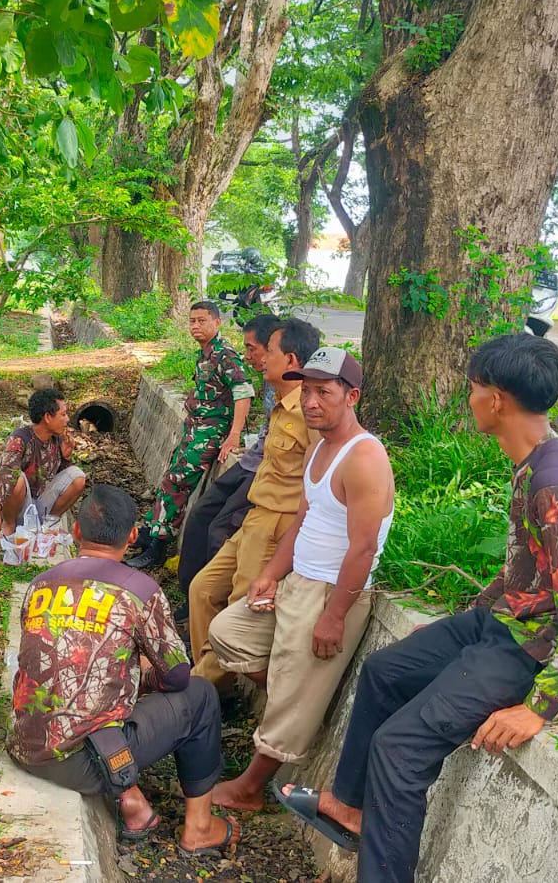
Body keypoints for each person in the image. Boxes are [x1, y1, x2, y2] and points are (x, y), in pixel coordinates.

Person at [275, 335, 558, 883]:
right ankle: (348, 807)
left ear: (497, 400)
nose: (469, 399)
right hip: (507, 621)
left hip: (535, 646)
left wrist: (538, 708)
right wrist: (472, 617)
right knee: (384, 671)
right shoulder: (537, 460)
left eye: (472, 389)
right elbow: (530, 566)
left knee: (399, 749)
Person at [207, 348, 395, 810]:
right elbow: (302, 520)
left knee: (293, 687)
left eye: (323, 393)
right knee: (227, 632)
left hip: (329, 592)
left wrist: (334, 616)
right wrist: (271, 575)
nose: (310, 402)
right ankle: (300, 697)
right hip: (296, 583)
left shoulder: (364, 457)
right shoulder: (318, 449)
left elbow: (364, 548)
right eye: (306, 391)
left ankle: (250, 789)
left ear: (351, 396)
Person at [9, 485, 238, 856]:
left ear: (77, 531)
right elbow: (177, 677)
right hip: (85, 763)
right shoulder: (140, 590)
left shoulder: (41, 584)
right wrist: (144, 673)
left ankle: (132, 800)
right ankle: (198, 828)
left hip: (26, 745)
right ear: (132, 536)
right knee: (200, 695)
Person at [188, 318, 322, 693]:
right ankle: (212, 687)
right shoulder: (279, 404)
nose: (260, 359)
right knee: (201, 590)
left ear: (291, 359)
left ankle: (199, 688)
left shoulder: (309, 413)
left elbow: (318, 484)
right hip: (255, 516)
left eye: (270, 352)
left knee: (237, 607)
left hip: (276, 525)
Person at [126, 302, 254, 569]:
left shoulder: (225, 355)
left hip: (210, 431)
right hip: (194, 428)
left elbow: (243, 393)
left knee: (178, 482)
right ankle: (151, 531)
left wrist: (233, 435)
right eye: (192, 321)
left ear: (217, 323)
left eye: (202, 321)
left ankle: (159, 546)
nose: (196, 326)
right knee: (170, 477)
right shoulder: (204, 353)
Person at [174, 313, 283, 598]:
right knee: (200, 513)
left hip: (266, 471)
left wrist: (234, 435)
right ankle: (189, 593)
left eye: (251, 349)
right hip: (251, 461)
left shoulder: (300, 394)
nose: (246, 357)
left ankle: (210, 598)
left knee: (220, 528)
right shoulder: (270, 380)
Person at [0, 388, 88, 538]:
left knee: (78, 477)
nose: (67, 419)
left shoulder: (58, 439)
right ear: (47, 417)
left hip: (42, 502)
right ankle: (9, 525)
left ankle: (49, 524)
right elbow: (7, 470)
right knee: (17, 478)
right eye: (63, 414)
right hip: (22, 504)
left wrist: (66, 458)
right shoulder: (20, 438)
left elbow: (62, 479)